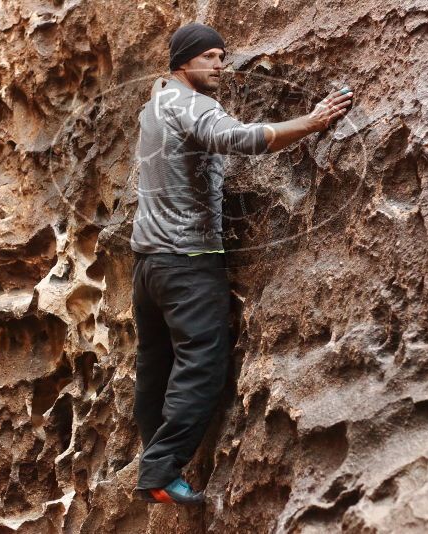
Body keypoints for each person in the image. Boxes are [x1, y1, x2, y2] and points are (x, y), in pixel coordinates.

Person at [130, 22, 354, 504]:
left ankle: (154, 458)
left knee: (156, 365)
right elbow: (242, 139)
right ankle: (160, 472)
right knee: (203, 362)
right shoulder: (193, 105)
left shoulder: (154, 103)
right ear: (182, 62)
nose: (219, 66)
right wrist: (312, 123)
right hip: (187, 261)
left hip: (147, 264)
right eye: (209, 57)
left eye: (222, 56)